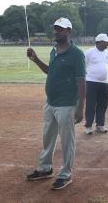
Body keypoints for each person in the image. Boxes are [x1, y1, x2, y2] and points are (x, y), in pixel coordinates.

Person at [25, 17, 86, 190]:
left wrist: (81, 107)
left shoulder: (77, 54)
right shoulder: (54, 50)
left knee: (67, 140)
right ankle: (45, 168)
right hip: (50, 102)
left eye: (60, 29)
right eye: (55, 29)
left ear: (69, 32)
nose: (56, 32)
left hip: (66, 104)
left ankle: (66, 173)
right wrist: (36, 59)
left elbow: (82, 82)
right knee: (48, 137)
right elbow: (50, 71)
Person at [84, 33, 108, 135]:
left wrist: (105, 79)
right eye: (106, 42)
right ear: (99, 42)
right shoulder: (89, 52)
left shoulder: (107, 53)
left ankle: (100, 124)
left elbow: (107, 66)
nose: (107, 44)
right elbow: (83, 66)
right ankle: (88, 126)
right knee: (91, 104)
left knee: (103, 104)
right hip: (91, 82)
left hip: (104, 83)